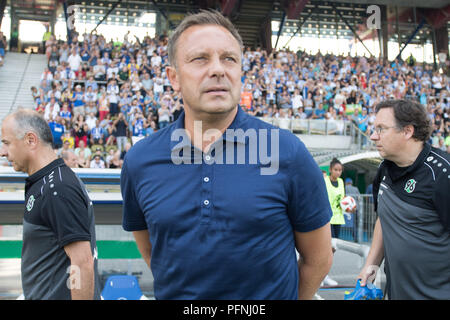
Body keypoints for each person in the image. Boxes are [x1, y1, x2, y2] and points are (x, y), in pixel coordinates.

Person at [121, 10, 333, 300]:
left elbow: (318, 258)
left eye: (229, 59)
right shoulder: (140, 161)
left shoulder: (287, 152)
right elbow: (154, 252)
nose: (218, 69)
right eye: (200, 59)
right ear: (174, 77)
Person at [0, 109, 100, 300]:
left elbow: (82, 263)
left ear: (30, 140)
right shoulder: (48, 183)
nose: (2, 152)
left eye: (6, 143)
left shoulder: (58, 188)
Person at [358, 99, 450, 299]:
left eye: (381, 129)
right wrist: (371, 264)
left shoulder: (443, 173)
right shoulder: (384, 170)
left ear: (407, 131)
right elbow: (385, 219)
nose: (373, 136)